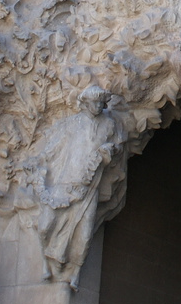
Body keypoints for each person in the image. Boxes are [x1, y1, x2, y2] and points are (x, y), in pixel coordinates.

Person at [21, 86, 128, 286]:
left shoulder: (109, 125)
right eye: (94, 102)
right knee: (45, 227)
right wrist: (37, 161)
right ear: (85, 103)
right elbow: (53, 149)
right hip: (62, 182)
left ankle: (75, 270)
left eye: (100, 102)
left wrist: (109, 151)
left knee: (85, 234)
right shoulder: (71, 123)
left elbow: (117, 150)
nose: (98, 106)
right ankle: (46, 262)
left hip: (89, 187)